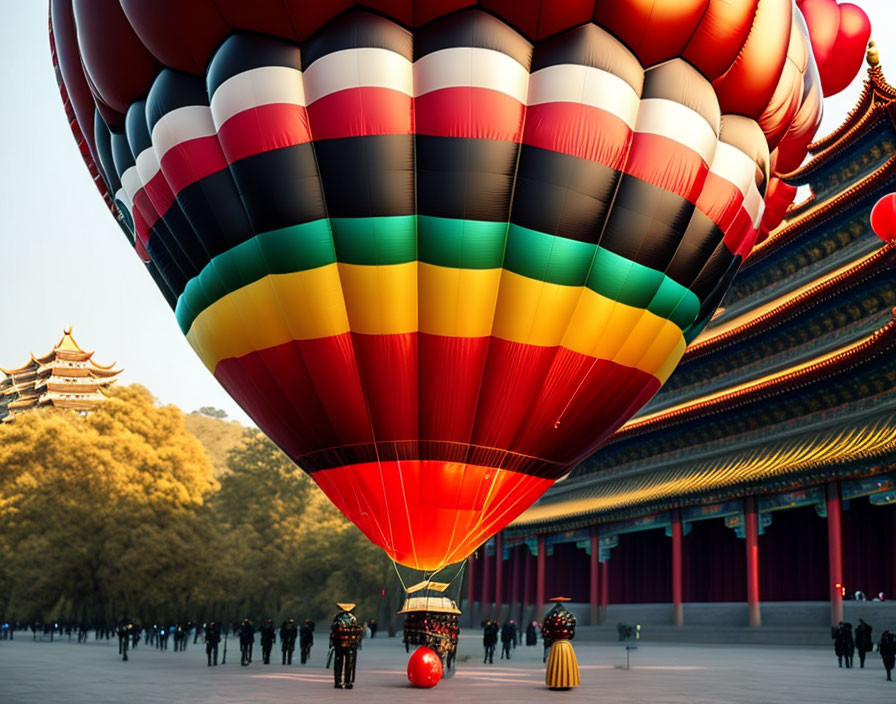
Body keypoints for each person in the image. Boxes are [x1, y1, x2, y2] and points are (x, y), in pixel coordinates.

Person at [330, 603, 363, 689]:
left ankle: (338, 682)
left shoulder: (338, 618)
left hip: (339, 643)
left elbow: (334, 630)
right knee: (349, 663)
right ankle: (348, 682)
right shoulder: (353, 618)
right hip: (351, 644)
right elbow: (357, 631)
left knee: (338, 663)